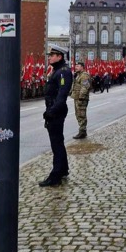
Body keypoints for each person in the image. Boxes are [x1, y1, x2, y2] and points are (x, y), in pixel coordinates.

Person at [40, 45, 73, 187]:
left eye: (52, 55)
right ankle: (63, 169)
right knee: (58, 141)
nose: (49, 57)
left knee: (56, 144)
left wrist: (52, 111)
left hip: (56, 110)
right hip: (54, 108)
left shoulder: (63, 72)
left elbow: (62, 95)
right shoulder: (57, 71)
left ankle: (55, 175)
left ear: (59, 56)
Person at [69, 62, 90, 139]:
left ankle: (82, 131)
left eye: (78, 66)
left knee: (81, 114)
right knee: (78, 114)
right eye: (75, 66)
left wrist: (81, 97)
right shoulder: (78, 75)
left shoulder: (84, 75)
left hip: (81, 99)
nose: (76, 67)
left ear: (82, 67)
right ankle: (82, 130)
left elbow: (85, 87)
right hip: (77, 97)